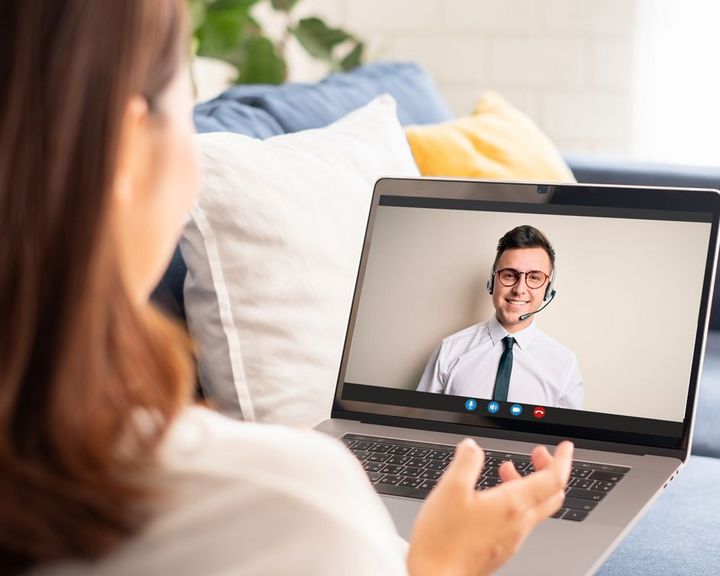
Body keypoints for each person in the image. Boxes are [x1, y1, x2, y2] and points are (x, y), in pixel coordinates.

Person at [0, 2, 573, 574]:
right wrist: (445, 565)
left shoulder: (561, 366)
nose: (519, 289)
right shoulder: (298, 504)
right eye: (185, 105)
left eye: (534, 278)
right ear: (128, 151)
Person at [417, 226, 584, 409]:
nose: (519, 290)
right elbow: (421, 418)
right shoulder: (449, 350)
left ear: (548, 289)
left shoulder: (565, 365)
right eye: (510, 275)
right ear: (492, 280)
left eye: (534, 278)